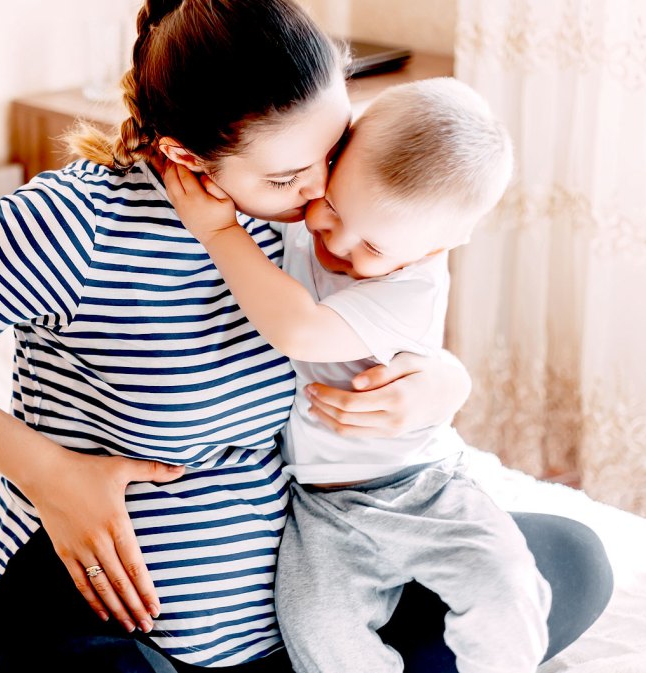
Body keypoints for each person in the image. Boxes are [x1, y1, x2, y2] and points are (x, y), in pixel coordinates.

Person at [0, 1, 612, 671]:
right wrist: (48, 470)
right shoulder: (71, 225)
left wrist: (442, 377)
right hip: (105, 616)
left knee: (566, 563)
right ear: (185, 156)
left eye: (331, 152)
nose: (317, 197)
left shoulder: (319, 218)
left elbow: (384, 316)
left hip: (303, 592)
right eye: (284, 178)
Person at [164, 77, 553, 672]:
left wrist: (219, 233)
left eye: (372, 245)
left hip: (422, 488)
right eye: (335, 209)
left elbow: (300, 331)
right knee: (318, 631)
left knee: (502, 582)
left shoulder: (414, 287)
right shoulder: (307, 219)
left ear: (441, 245)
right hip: (321, 509)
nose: (335, 242)